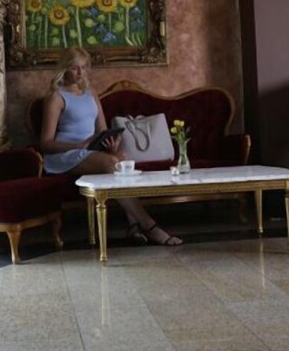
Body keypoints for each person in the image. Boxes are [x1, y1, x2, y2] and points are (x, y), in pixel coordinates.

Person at [39, 46, 182, 246]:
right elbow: (45, 143)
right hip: (66, 154)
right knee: (111, 164)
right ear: (64, 69)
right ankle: (150, 226)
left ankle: (133, 225)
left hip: (91, 150)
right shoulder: (56, 97)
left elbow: (103, 130)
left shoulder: (91, 94)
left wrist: (110, 143)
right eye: (75, 68)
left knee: (122, 159)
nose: (80, 73)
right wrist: (79, 145)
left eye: (84, 67)